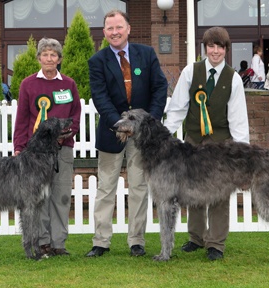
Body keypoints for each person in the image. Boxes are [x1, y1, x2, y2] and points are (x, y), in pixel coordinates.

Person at [85, 9, 168, 258]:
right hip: (113, 133)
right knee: (106, 189)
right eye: (110, 28)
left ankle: (136, 242)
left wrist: (145, 123)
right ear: (104, 32)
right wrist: (122, 125)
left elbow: (160, 87)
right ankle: (101, 242)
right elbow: (100, 98)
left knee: (140, 188)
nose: (115, 32)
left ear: (128, 29)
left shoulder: (147, 53)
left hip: (143, 137)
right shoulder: (97, 61)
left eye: (119, 27)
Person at [163, 26, 249, 261]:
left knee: (220, 194)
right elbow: (178, 108)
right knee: (193, 191)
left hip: (222, 146)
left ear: (226, 50)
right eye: (211, 46)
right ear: (205, 48)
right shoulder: (191, 72)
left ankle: (216, 244)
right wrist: (163, 135)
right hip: (193, 142)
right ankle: (195, 238)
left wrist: (242, 154)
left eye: (220, 46)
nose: (215, 51)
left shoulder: (234, 79)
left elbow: (238, 119)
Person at [13, 37, 81, 256]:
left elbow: (75, 115)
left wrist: (67, 134)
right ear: (39, 58)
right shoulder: (28, 84)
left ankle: (58, 243)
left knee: (61, 195)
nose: (49, 58)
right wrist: (18, 147)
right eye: (45, 54)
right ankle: (42, 242)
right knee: (38, 197)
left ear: (59, 59)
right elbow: (22, 118)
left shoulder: (68, 84)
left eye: (53, 55)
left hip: (63, 148)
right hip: (35, 153)